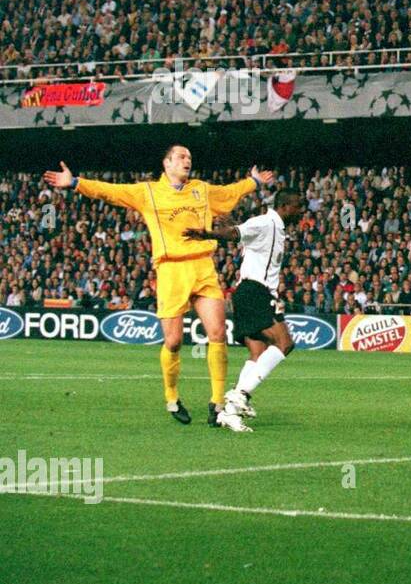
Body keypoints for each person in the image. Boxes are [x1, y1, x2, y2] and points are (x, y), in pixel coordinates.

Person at [42, 147, 272, 426]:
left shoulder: (201, 189)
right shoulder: (148, 192)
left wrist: (254, 182)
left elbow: (229, 193)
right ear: (167, 163)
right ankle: (172, 398)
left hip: (202, 266)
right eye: (181, 157)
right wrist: (76, 183)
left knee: (218, 333)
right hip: (171, 270)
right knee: (173, 342)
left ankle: (216, 402)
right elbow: (110, 191)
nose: (188, 160)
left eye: (189, 157)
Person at [183, 189, 306, 432]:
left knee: (258, 352)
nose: (300, 211)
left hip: (250, 292)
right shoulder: (266, 222)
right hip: (255, 292)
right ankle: (240, 394)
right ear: (285, 205)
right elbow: (233, 234)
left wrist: (230, 226)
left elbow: (239, 231)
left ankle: (228, 413)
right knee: (285, 343)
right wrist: (207, 233)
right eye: (297, 206)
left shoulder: (274, 227)